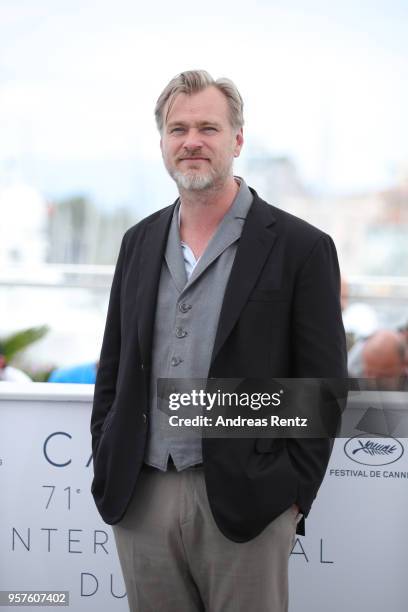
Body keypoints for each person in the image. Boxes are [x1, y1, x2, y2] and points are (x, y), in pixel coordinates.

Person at [90, 70, 347, 612]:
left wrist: (293, 494)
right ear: (162, 141)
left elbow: (322, 385)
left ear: (238, 139)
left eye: (208, 127)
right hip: (141, 494)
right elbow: (112, 369)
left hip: (249, 500)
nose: (192, 141)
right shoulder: (138, 242)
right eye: (177, 128)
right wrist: (107, 451)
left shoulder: (301, 246)